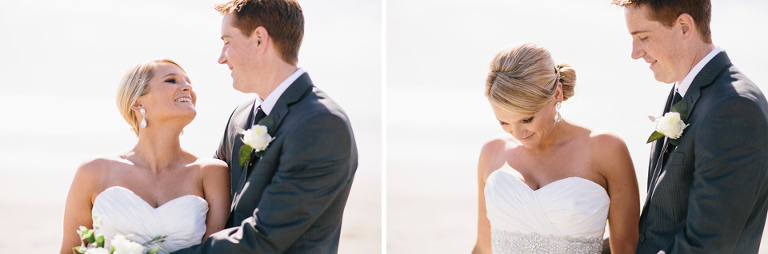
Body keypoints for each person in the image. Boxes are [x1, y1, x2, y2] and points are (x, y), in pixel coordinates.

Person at [172, 0, 358, 253]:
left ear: (259, 39)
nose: (221, 58)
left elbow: (263, 239)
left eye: (227, 42)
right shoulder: (239, 117)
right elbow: (205, 199)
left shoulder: (322, 125)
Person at [612, 0, 768, 253]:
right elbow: (661, 225)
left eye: (643, 37)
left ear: (684, 27)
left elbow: (708, 244)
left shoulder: (734, 108)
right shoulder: (685, 90)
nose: (635, 52)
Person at [472, 43, 640, 254]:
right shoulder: (492, 152)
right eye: (504, 123)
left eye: (527, 119)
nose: (517, 133)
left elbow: (627, 249)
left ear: (557, 94)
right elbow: (483, 247)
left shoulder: (606, 150)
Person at [59, 59, 231, 254]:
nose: (187, 87)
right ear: (137, 102)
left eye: (188, 82)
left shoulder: (211, 173)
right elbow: (70, 250)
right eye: (172, 80)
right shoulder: (93, 172)